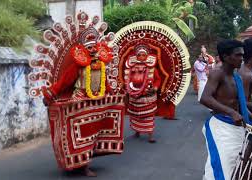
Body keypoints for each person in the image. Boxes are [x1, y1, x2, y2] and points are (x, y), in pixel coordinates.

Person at [31, 12, 125, 177]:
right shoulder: (78, 64)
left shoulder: (102, 63)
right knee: (81, 135)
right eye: (89, 47)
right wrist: (50, 95)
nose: (92, 49)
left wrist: (114, 93)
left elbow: (106, 82)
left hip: (98, 102)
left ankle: (84, 162)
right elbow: (65, 81)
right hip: (80, 100)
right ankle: (80, 164)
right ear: (84, 48)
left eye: (94, 46)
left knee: (93, 134)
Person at [200, 39, 252, 180]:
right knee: (221, 165)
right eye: (238, 55)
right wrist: (230, 112)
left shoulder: (237, 77)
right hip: (220, 126)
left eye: (242, 55)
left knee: (232, 166)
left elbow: (238, 104)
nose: (242, 58)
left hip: (236, 128)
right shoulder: (217, 73)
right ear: (225, 57)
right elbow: (205, 98)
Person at [123, 44, 161, 143]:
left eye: (143, 55)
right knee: (135, 115)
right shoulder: (131, 67)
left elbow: (157, 79)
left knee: (148, 116)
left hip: (147, 96)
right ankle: (137, 131)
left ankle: (150, 134)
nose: (141, 57)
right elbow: (128, 79)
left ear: (147, 56)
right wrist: (128, 87)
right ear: (136, 56)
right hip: (133, 94)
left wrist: (155, 88)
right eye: (139, 55)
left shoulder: (152, 68)